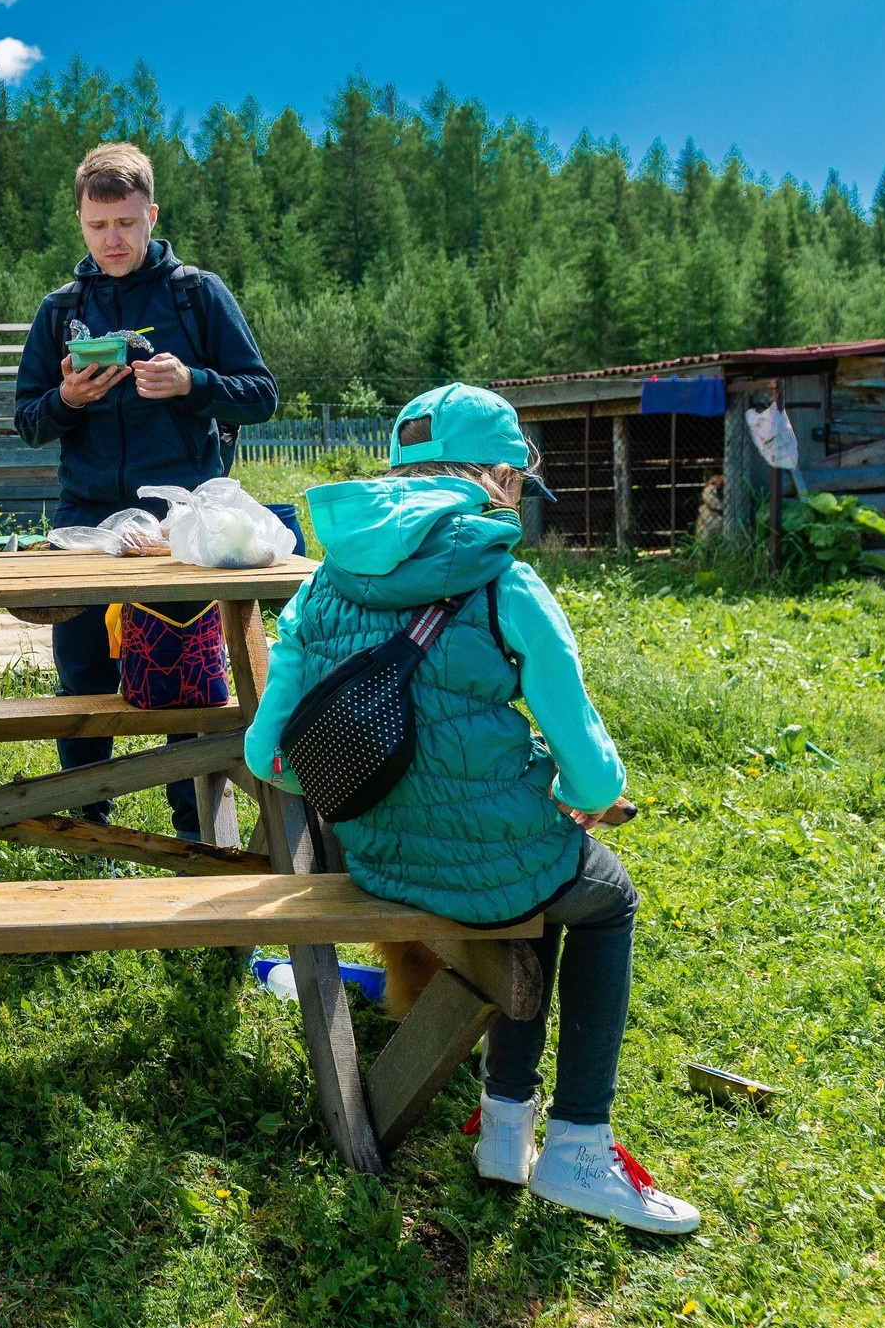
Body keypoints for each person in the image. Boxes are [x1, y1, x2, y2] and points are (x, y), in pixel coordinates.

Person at [243, 382, 699, 1235]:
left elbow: (268, 757)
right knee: (606, 897)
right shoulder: (506, 582)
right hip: (498, 865)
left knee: (545, 887)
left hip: (379, 860)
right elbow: (596, 779)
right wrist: (576, 798)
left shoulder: (322, 583)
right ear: (498, 476)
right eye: (518, 479)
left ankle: (504, 1123)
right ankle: (577, 1146)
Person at [13, 141, 276, 839]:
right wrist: (68, 397)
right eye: (98, 225)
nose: (114, 239)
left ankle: (194, 830)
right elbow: (28, 421)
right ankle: (89, 829)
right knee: (83, 684)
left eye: (126, 222)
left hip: (178, 529)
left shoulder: (196, 292)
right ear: (80, 221)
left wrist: (194, 384)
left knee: (186, 689)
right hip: (85, 525)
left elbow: (262, 395)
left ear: (151, 214)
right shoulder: (60, 308)